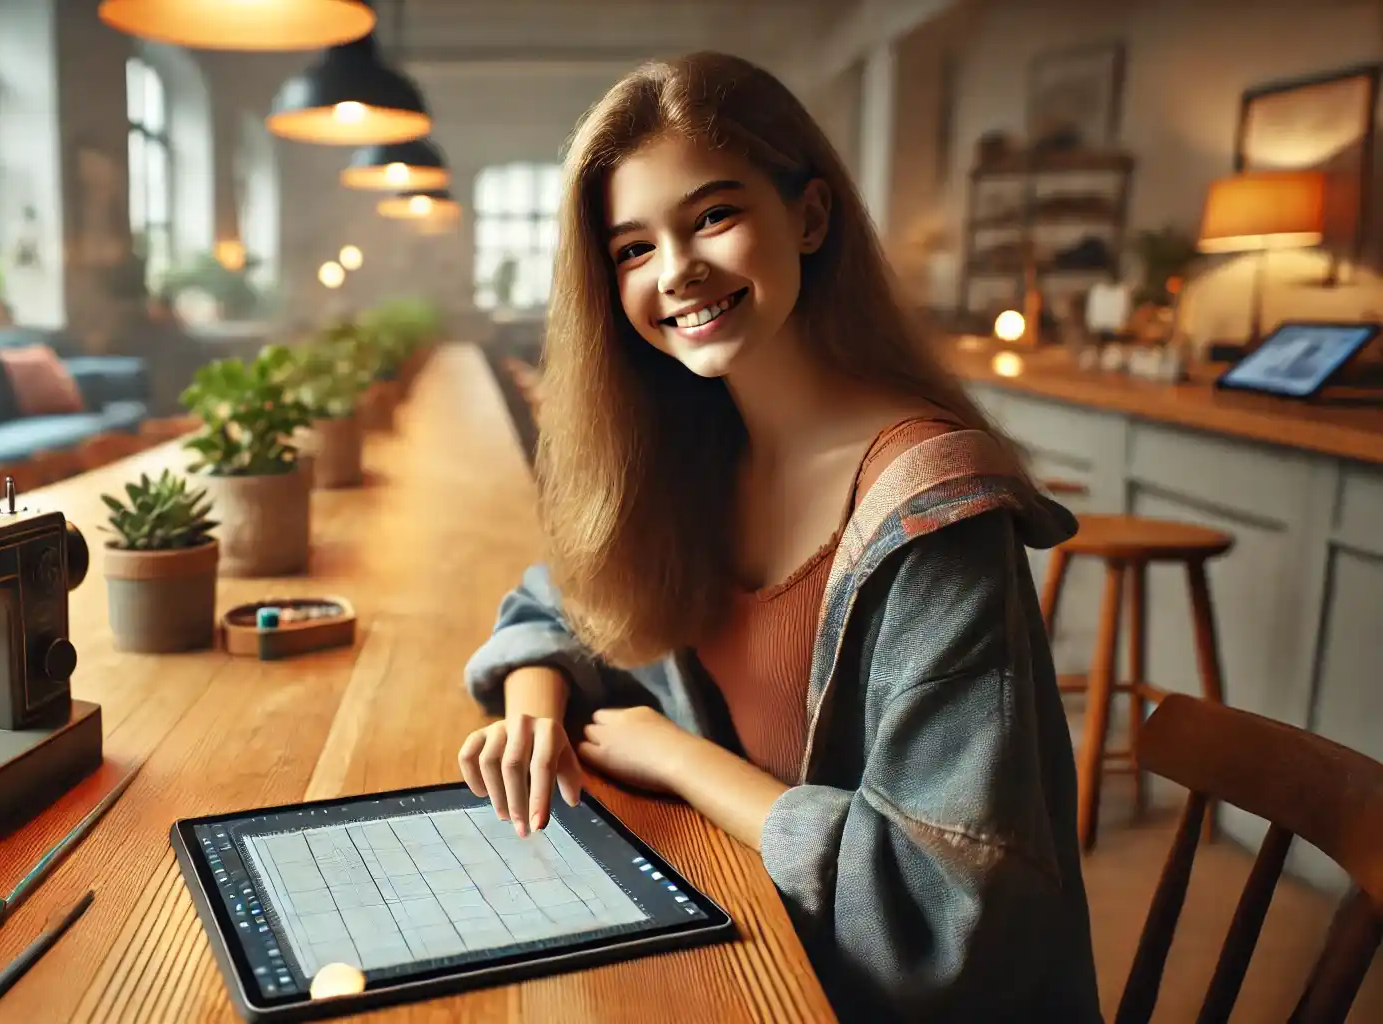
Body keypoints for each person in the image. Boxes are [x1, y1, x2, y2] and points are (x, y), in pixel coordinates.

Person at [457, 52, 1102, 1023]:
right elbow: (561, 594)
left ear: (808, 215)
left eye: (713, 215)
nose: (676, 271)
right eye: (632, 248)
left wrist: (678, 757)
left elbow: (946, 907)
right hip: (757, 940)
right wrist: (533, 699)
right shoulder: (696, 450)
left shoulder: (934, 514)